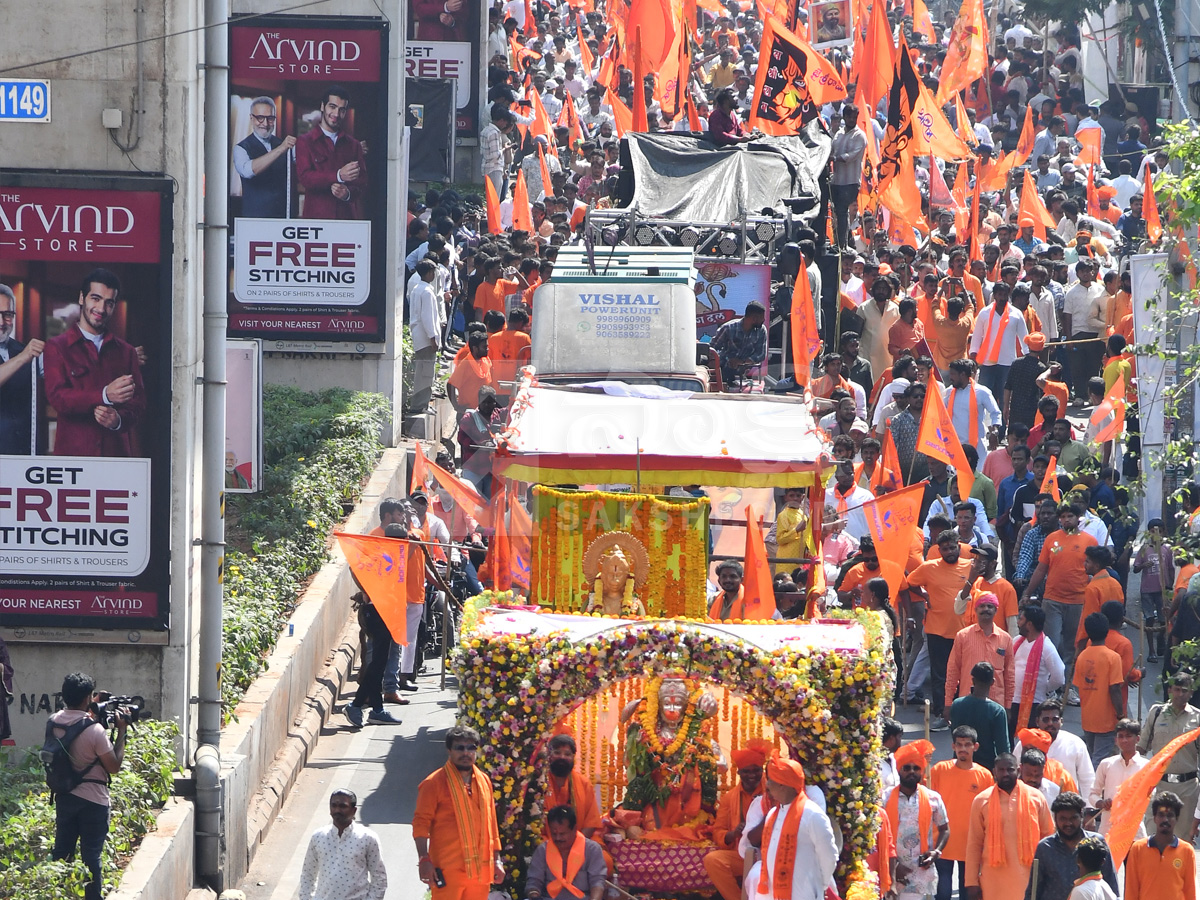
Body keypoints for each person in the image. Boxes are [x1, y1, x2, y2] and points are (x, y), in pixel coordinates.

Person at [42, 269, 146, 457]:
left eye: (109, 303)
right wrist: (104, 395)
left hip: (116, 458)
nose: (101, 308)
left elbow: (138, 404)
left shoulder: (127, 352)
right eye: (95, 299)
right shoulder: (56, 347)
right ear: (82, 298)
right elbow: (58, 398)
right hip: (73, 460)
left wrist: (118, 420)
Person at [48, 672, 130, 900]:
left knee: (62, 852)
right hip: (93, 802)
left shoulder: (53, 721)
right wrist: (121, 731)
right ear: (87, 698)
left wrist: (91, 704)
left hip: (64, 795)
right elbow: (113, 766)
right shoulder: (95, 731)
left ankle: (58, 894)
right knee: (91, 856)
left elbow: (74, 718)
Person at [413, 725, 503, 899]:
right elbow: (420, 824)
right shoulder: (434, 783)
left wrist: (497, 860)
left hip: (481, 871)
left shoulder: (484, 781)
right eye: (459, 748)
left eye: (471, 748)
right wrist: (424, 859)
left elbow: (492, 824)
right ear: (449, 750)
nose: (466, 753)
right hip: (448, 870)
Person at [742, 756, 839, 900]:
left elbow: (829, 857)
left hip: (803, 892)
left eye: (771, 781)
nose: (766, 784)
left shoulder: (812, 815)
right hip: (770, 894)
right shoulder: (772, 815)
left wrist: (820, 885)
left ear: (783, 785)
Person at [1020, 502, 1098, 676]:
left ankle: (1066, 686)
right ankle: (1049, 686)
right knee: (1051, 643)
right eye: (1062, 517)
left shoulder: (1090, 541)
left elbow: (1096, 570)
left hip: (1078, 601)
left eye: (1070, 516)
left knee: (1072, 645)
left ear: (1078, 518)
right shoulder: (1051, 539)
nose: (1066, 520)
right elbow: (1041, 569)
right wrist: (1028, 593)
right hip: (1052, 599)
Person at [964, 753, 1054, 900]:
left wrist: (1051, 875)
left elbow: (1048, 839)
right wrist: (971, 882)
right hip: (993, 882)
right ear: (994, 772)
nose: (1005, 774)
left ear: (1018, 771)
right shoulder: (981, 801)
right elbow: (974, 844)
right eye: (1001, 770)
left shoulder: (1036, 798)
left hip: (1030, 878)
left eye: (1010, 769)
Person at [908, 530, 973, 731]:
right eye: (945, 549)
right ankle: (940, 714)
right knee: (940, 675)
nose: (949, 552)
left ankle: (960, 712)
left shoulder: (970, 566)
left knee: (964, 674)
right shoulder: (928, 568)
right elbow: (909, 582)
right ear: (938, 549)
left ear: (958, 547)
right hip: (937, 630)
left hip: (964, 631)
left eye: (953, 547)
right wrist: (925, 597)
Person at [931, 726, 995, 900]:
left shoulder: (985, 776)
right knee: (942, 893)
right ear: (953, 747)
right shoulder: (939, 770)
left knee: (967, 892)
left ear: (975, 747)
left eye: (967, 745)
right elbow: (928, 802)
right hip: (942, 843)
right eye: (959, 745)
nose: (963, 749)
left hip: (971, 844)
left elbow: (989, 812)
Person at [883, 740, 950, 900]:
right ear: (899, 770)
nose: (911, 772)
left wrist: (936, 852)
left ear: (922, 771)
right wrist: (894, 867)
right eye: (907, 768)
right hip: (889, 868)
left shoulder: (932, 798)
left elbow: (944, 828)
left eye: (916, 768)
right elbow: (877, 833)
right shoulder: (884, 798)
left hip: (918, 872)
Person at [704, 739, 770, 900]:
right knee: (712, 860)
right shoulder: (729, 798)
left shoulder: (772, 791)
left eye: (756, 771)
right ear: (739, 773)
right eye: (747, 772)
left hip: (771, 852)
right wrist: (733, 834)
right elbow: (718, 831)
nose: (752, 775)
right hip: (743, 854)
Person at [1024, 791, 1116, 900]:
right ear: (1055, 818)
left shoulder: (1096, 843)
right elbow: (1034, 890)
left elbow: (1111, 884)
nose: (1068, 823)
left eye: (1073, 818)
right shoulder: (1045, 848)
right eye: (1063, 818)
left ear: (1081, 816)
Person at [1138, 673, 1200, 833]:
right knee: (1153, 835)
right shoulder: (1156, 713)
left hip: (1188, 788)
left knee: (1181, 840)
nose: (1180, 694)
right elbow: (1141, 748)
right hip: (1159, 785)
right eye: (1176, 689)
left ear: (1191, 693)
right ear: (1170, 690)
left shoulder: (1197, 718)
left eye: (1184, 690)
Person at [299, 789, 388, 900]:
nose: (337, 810)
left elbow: (380, 878)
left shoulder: (367, 838)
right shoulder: (318, 837)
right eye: (334, 805)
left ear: (354, 810)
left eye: (343, 806)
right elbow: (308, 875)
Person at [295, 85, 368, 219]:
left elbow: (362, 183)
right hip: (316, 220)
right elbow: (305, 178)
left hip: (346, 218)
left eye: (341, 110)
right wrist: (338, 175)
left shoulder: (354, 145)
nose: (336, 114)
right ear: (323, 106)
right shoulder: (304, 142)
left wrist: (347, 194)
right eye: (332, 107)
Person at [947, 593, 1016, 712]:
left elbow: (1009, 675)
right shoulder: (963, 636)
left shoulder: (1006, 638)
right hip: (967, 701)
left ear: (996, 610)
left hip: (996, 705)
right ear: (975, 609)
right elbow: (953, 670)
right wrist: (948, 702)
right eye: (982, 606)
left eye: (990, 606)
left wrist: (1008, 705)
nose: (986, 609)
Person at [1073, 613, 1125, 765]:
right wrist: (1121, 714)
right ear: (1107, 630)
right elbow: (1114, 688)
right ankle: (1092, 788)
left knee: (1091, 756)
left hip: (1088, 717)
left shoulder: (1082, 657)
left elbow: (1079, 684)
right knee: (1100, 760)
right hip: (1106, 719)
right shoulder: (1112, 657)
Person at [525, 805, 607, 900]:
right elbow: (534, 882)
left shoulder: (592, 849)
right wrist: (534, 896)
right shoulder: (543, 850)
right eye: (554, 834)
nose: (558, 838)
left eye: (562, 834)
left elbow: (597, 881)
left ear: (574, 829)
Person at [233, 96, 296, 218]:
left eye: (270, 119)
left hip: (283, 220)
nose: (265, 124)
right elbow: (248, 171)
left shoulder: (285, 145)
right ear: (251, 118)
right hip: (255, 219)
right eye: (260, 118)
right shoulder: (241, 148)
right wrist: (281, 149)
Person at [1015, 701, 1095, 798]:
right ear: (1037, 721)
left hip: (1064, 804)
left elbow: (1087, 778)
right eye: (1045, 719)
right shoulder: (1026, 744)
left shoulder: (1075, 743)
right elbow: (1015, 772)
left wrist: (1089, 807)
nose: (1050, 723)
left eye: (1055, 720)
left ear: (1061, 721)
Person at [1124, 793, 1196, 900]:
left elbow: (1190, 892)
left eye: (1170, 815)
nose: (1165, 820)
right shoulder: (1137, 849)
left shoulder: (1187, 851)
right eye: (1161, 815)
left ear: (1176, 818)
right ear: (1154, 818)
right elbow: (1131, 891)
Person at [0, 283, 43, 455]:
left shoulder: (23, 350)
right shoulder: (25, 355)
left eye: (8, 315)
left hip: (24, 452)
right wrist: (22, 358)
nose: (2, 322)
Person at [1011, 605, 1066, 732]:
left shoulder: (1047, 646)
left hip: (1034, 704)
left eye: (1021, 619)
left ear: (1029, 624)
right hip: (1012, 701)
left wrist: (1044, 687)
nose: (1018, 623)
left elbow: (1059, 677)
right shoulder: (1017, 641)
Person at [1089, 718, 1148, 837]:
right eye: (1120, 736)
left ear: (1137, 739)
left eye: (1128, 736)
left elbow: (1150, 795)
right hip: (1108, 829)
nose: (1124, 740)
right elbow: (1092, 794)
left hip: (1135, 832)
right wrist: (1101, 803)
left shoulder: (1147, 766)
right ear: (1116, 740)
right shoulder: (1106, 764)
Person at [950, 662, 1012, 769]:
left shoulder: (957, 704)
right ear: (992, 682)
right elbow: (1003, 749)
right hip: (986, 768)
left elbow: (954, 734)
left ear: (973, 680)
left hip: (960, 764)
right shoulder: (997, 711)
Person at [542, 733, 603, 840]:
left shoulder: (584, 784)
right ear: (548, 755)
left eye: (567, 754)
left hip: (578, 843)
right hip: (545, 843)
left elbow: (591, 823)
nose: (562, 757)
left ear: (573, 757)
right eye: (557, 752)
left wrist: (574, 846)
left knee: (604, 856)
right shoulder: (539, 782)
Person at [408, 259, 443, 416]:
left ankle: (419, 404)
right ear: (429, 273)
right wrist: (433, 337)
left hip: (418, 335)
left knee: (421, 372)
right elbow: (427, 317)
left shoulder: (417, 288)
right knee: (426, 373)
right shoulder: (427, 291)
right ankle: (421, 405)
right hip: (425, 337)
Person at [831, 104, 867, 247]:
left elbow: (851, 156)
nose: (852, 120)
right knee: (837, 213)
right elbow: (831, 150)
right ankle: (841, 241)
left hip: (850, 182)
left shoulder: (860, 136)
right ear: (844, 117)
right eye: (849, 117)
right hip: (836, 181)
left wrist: (835, 159)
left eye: (854, 117)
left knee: (842, 212)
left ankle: (842, 245)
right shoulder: (838, 134)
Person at [710, 300, 767, 385]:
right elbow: (712, 349)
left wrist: (741, 362)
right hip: (722, 372)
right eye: (762, 317)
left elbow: (761, 354)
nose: (764, 320)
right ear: (754, 318)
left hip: (744, 375)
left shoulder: (761, 330)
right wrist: (723, 360)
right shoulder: (728, 328)